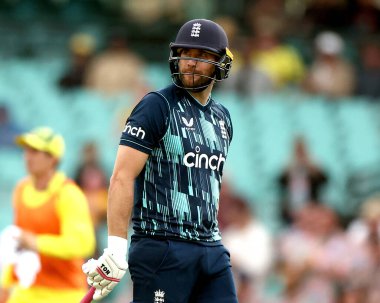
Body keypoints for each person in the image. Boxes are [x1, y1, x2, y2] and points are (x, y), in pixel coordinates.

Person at [82, 19, 237, 303]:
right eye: (186, 53)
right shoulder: (156, 105)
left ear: (221, 63)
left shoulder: (223, 118)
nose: (191, 62)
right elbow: (121, 177)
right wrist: (116, 248)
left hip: (211, 248)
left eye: (202, 56)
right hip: (162, 247)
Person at [0, 127, 96, 303]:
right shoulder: (21, 189)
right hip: (29, 289)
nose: (28, 156)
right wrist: (5, 285)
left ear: (53, 159)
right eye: (27, 150)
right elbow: (18, 245)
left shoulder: (67, 194)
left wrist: (36, 243)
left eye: (35, 151)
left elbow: (83, 244)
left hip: (66, 292)